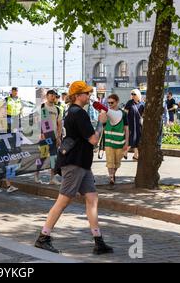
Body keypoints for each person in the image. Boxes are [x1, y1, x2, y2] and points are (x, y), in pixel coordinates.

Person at [34, 81, 113, 255]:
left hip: (81, 163)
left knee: (92, 198)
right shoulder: (79, 113)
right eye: (86, 93)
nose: (89, 96)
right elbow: (93, 139)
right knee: (63, 201)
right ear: (77, 95)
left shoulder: (72, 111)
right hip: (75, 163)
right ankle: (43, 237)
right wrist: (101, 123)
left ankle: (98, 241)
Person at [34, 90, 63, 185]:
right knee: (42, 157)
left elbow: (59, 124)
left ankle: (52, 178)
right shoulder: (42, 107)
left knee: (53, 158)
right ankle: (36, 175)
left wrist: (59, 137)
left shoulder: (57, 109)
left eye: (54, 96)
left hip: (53, 137)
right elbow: (36, 122)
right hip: (44, 136)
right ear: (47, 96)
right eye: (51, 95)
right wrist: (40, 133)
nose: (53, 97)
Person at [104, 94, 129, 188]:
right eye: (108, 102)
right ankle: (111, 177)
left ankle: (113, 174)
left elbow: (126, 129)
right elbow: (102, 123)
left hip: (119, 142)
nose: (110, 104)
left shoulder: (123, 114)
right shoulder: (106, 112)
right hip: (108, 142)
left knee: (117, 162)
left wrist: (127, 142)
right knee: (110, 161)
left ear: (117, 101)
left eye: (112, 102)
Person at [124, 89, 144, 160]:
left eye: (134, 94)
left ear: (138, 95)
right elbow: (125, 113)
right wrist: (125, 123)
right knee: (131, 139)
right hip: (130, 124)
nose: (132, 95)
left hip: (138, 125)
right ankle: (125, 151)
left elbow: (143, 114)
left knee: (138, 140)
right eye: (131, 94)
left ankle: (135, 156)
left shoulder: (142, 104)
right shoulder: (129, 102)